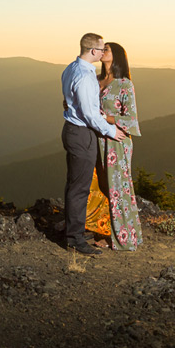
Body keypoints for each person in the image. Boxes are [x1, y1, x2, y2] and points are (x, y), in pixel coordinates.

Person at [60, 32, 126, 254]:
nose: (102, 53)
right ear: (92, 51)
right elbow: (89, 114)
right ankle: (75, 239)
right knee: (80, 187)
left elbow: (71, 101)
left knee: (74, 184)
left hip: (71, 130)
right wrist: (111, 130)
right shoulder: (86, 76)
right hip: (81, 133)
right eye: (100, 49)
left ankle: (73, 230)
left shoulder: (71, 68)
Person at [85, 41, 142, 250]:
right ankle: (102, 230)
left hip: (117, 141)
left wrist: (107, 118)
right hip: (96, 140)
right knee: (98, 187)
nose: (102, 52)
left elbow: (132, 119)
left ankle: (123, 236)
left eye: (106, 49)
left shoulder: (125, 84)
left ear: (116, 56)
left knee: (117, 188)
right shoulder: (96, 80)